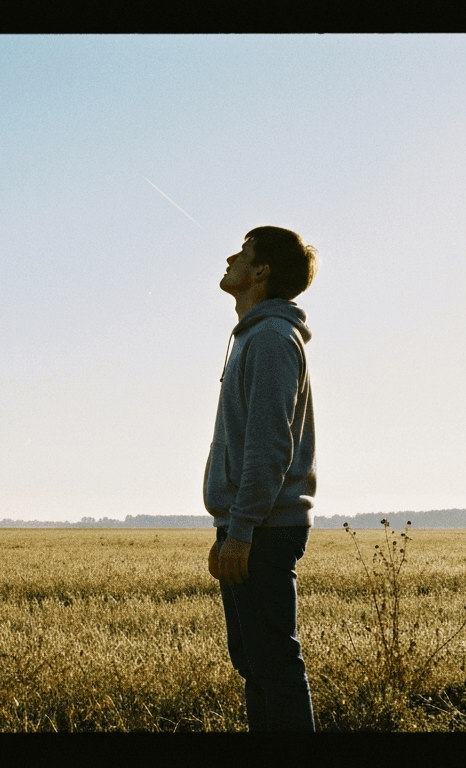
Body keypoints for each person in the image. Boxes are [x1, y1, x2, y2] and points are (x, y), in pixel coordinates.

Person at [204, 226, 318, 732]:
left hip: (266, 529)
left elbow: (269, 447)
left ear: (261, 270)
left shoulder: (271, 338)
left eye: (243, 251)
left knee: (273, 667)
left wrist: (243, 529)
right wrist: (230, 526)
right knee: (257, 666)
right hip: (252, 525)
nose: (231, 256)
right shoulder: (257, 335)